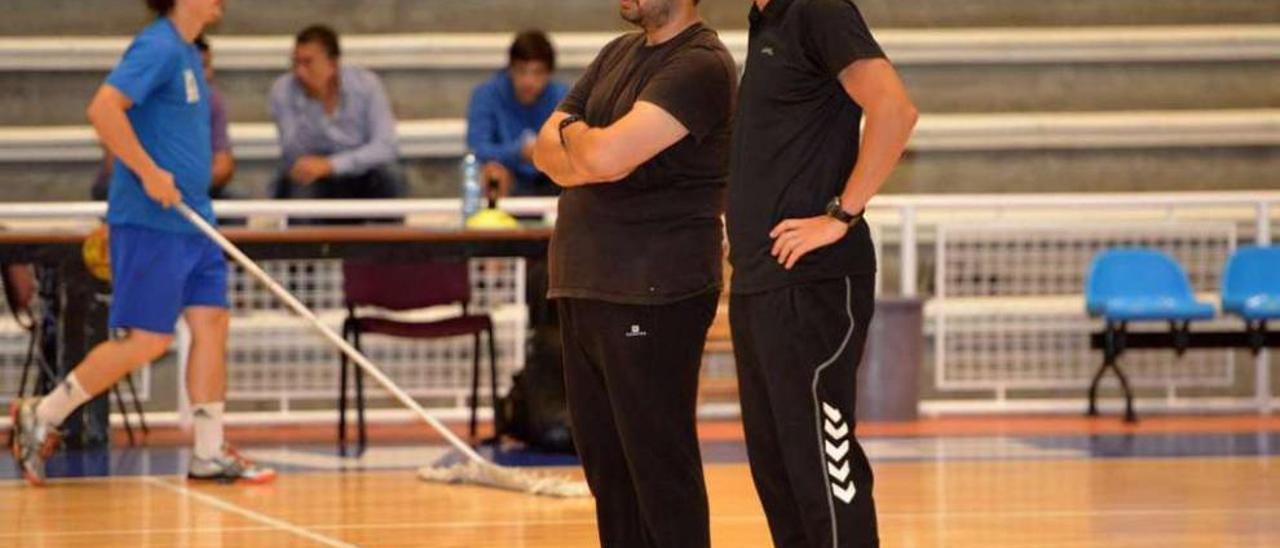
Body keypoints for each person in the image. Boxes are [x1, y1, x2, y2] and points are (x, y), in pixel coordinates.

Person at [9, 0, 275, 486]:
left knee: (211, 322)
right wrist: (149, 172)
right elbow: (103, 109)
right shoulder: (157, 45)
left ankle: (209, 452)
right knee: (148, 341)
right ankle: (44, 412)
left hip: (195, 218)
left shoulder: (189, 51)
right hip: (153, 221)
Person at [531, 0, 735, 546]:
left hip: (652, 290)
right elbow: (541, 151)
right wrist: (585, 142)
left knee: (658, 469)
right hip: (584, 282)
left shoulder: (701, 65)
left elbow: (601, 159)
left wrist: (579, 139)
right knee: (609, 474)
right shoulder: (615, 53)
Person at [726, 0, 918, 546]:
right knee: (780, 473)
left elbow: (895, 111)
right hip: (761, 281)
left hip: (812, 285)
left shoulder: (818, 7)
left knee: (822, 471)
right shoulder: (766, 21)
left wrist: (840, 215)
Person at [91, 34, 235, 201]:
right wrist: (152, 177)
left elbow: (223, 167)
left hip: (186, 190)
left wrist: (182, 184)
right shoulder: (133, 95)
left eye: (205, 67)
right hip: (136, 186)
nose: (200, 76)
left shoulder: (211, 100)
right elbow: (114, 163)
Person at [269, 24, 404, 202]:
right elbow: (292, 152)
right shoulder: (283, 90)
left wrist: (332, 165)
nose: (300, 72)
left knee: (390, 178)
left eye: (308, 63)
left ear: (332, 63)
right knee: (297, 185)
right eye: (296, 63)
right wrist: (314, 103)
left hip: (359, 169)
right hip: (312, 172)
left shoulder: (366, 85)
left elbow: (386, 146)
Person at [466, 30, 568, 197]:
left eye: (537, 72)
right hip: (509, 177)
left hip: (552, 178)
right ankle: (493, 222)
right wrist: (518, 152)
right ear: (510, 69)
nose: (529, 81)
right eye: (522, 71)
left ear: (549, 74)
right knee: (493, 173)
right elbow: (477, 148)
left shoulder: (564, 97)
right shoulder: (486, 95)